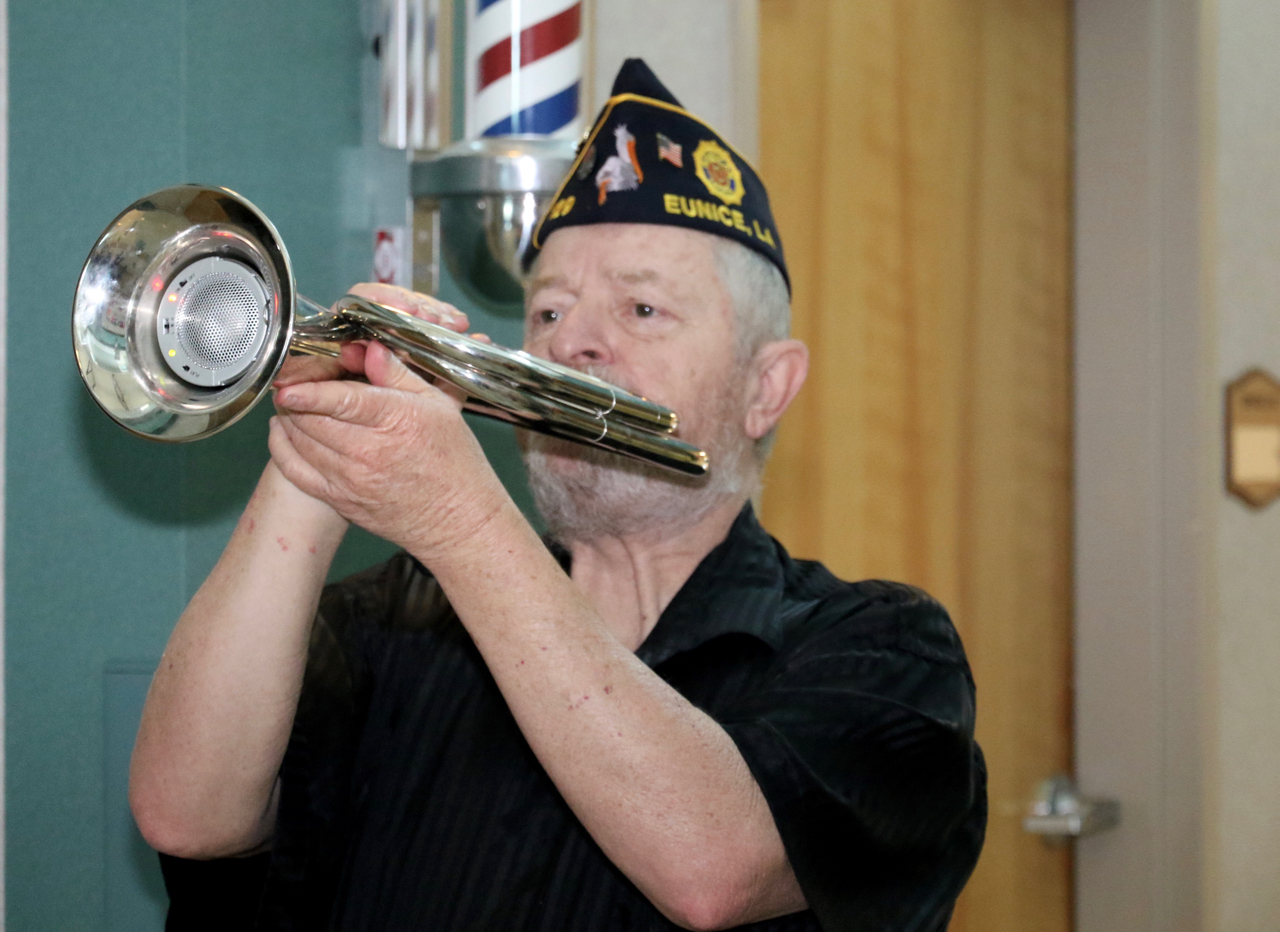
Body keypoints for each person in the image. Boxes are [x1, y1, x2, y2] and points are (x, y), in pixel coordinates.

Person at [131, 59, 986, 932]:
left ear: (766, 386)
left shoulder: (885, 653)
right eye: (547, 312)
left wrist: (459, 519)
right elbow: (187, 815)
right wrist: (315, 456)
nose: (573, 342)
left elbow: (713, 869)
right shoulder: (398, 618)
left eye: (642, 310)